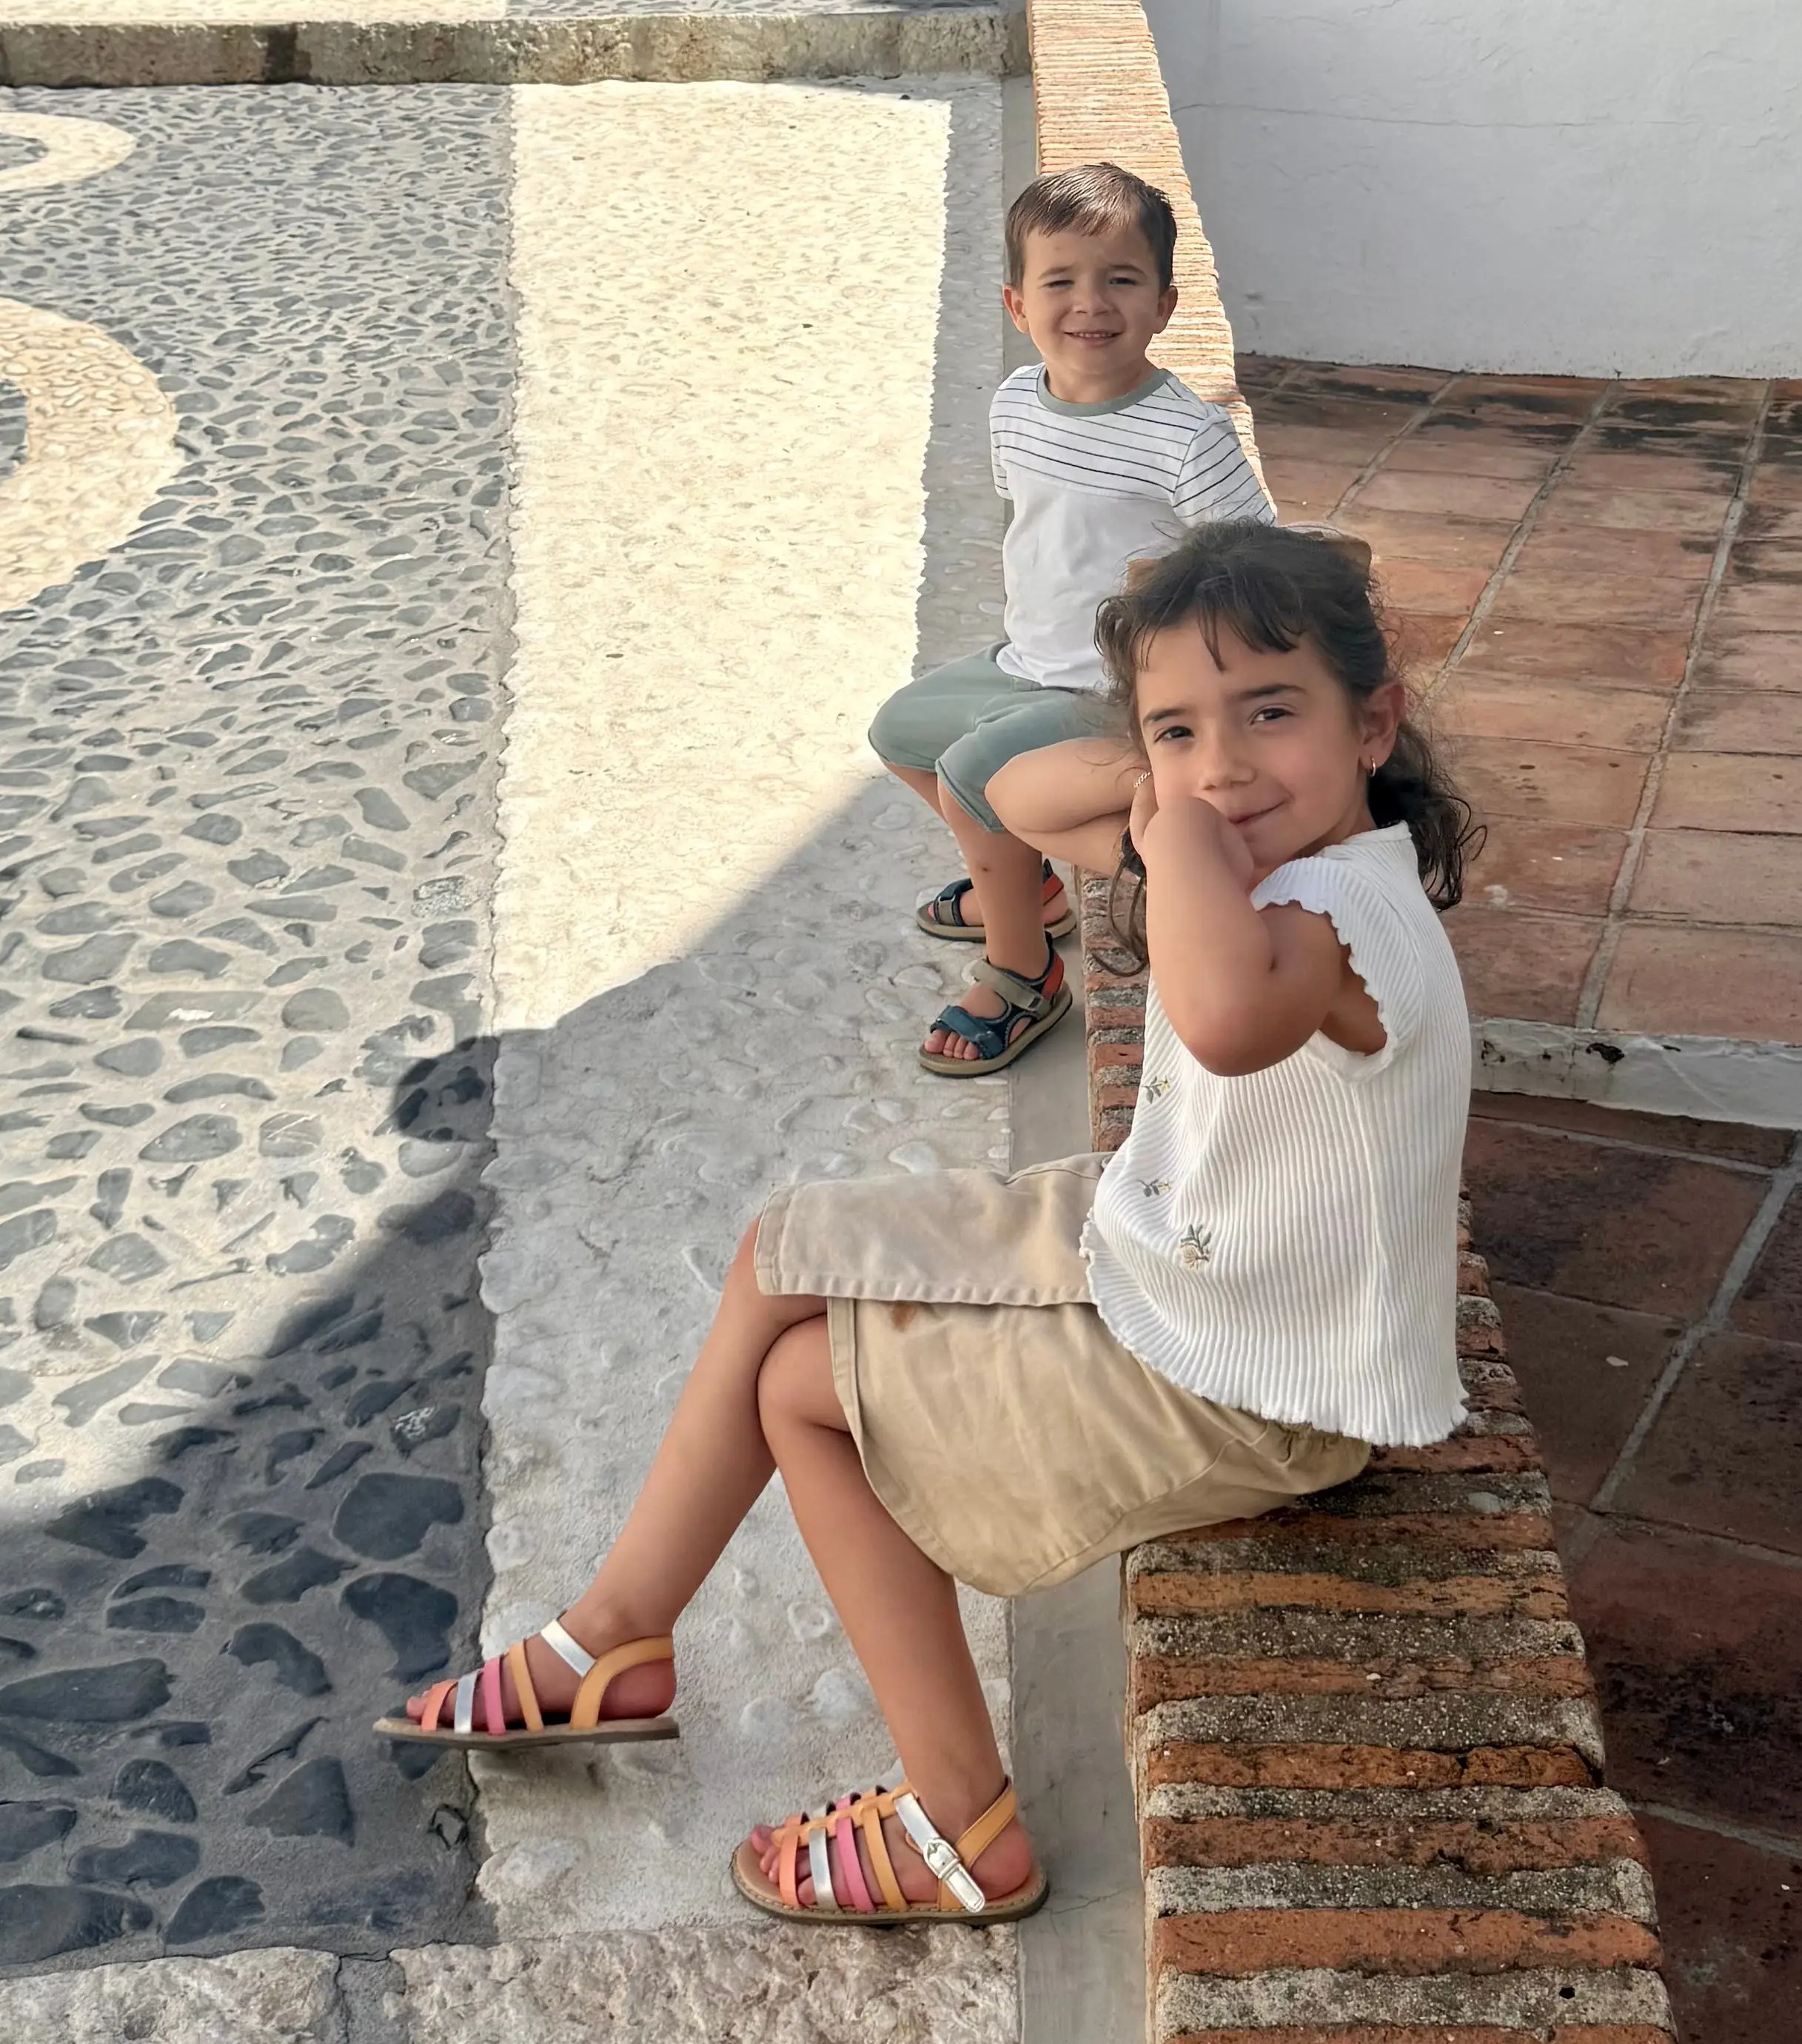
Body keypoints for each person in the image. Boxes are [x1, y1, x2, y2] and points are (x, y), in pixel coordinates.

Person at [378, 522, 1477, 1929]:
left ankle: (961, 1823)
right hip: (1180, 1252)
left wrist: (1178, 823)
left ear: (1371, 721)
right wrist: (1158, 781)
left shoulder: (1330, 917)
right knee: (781, 1249)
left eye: (1272, 711)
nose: (1228, 763)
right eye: (1179, 726)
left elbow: (1217, 1010)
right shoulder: (1254, 844)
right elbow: (1014, 790)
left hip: (1259, 1375)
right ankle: (613, 1638)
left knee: (806, 1395)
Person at [867, 161, 1274, 1079]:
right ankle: (1026, 885)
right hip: (1029, 660)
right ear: (1017, 304)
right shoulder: (1016, 405)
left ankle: (1023, 971)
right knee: (900, 733)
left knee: (976, 772)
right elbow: (1040, 531)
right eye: (1060, 282)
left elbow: (1260, 568)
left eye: (1121, 279)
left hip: (1116, 689)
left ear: (1164, 303)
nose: (1091, 304)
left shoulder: (1185, 435)